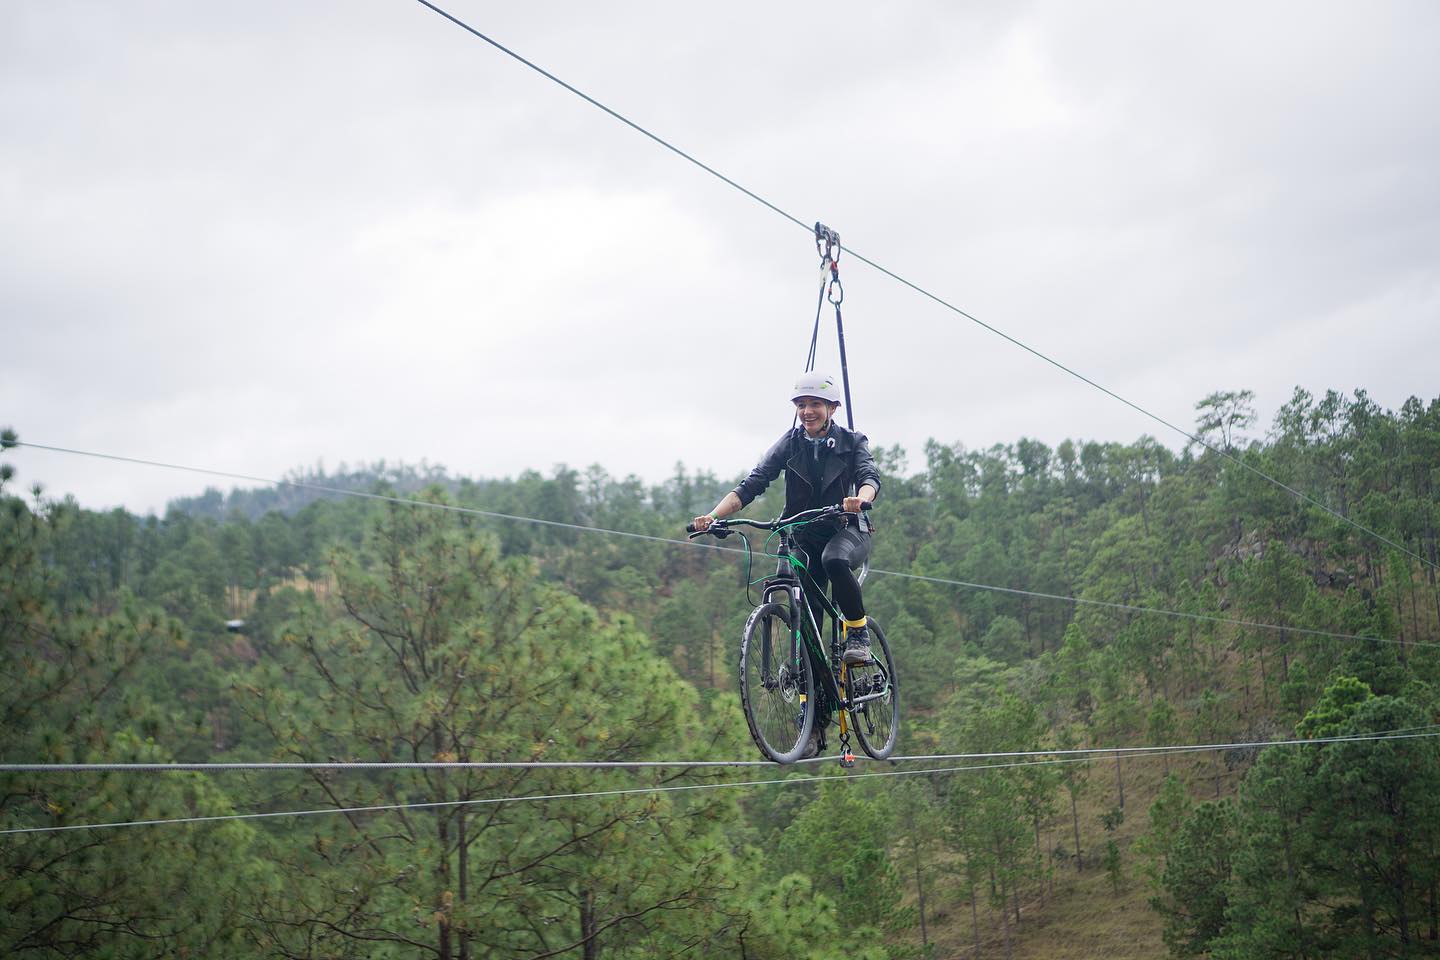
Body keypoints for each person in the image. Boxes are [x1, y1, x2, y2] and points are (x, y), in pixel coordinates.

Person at [692, 370, 881, 663]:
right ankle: (813, 693)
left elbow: (869, 477)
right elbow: (752, 484)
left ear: (832, 408)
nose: (807, 411)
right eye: (801, 404)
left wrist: (860, 500)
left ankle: (858, 632)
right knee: (807, 611)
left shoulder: (852, 441)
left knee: (833, 560)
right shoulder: (790, 443)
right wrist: (712, 516)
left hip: (847, 528)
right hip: (805, 534)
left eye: (815, 404)